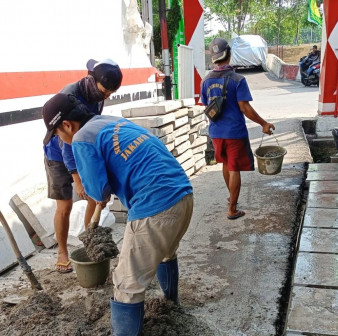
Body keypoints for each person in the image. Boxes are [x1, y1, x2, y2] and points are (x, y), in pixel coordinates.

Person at [42, 93, 194, 336]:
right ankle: (170, 305)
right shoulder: (111, 122)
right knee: (165, 252)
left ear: (67, 125)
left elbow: (97, 191)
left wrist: (97, 185)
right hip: (183, 195)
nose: (61, 140)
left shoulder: (82, 138)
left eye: (58, 134)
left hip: (155, 206)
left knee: (126, 283)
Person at [43, 59, 122, 273]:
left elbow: (87, 131)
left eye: (110, 93)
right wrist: (77, 179)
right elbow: (67, 142)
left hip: (80, 143)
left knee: (93, 196)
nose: (107, 96)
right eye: (106, 92)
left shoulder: (96, 94)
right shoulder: (70, 97)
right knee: (65, 205)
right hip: (58, 151)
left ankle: (91, 243)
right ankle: (62, 251)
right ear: (92, 80)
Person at [201, 37, 275, 220]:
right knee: (234, 168)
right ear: (229, 54)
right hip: (234, 132)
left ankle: (231, 198)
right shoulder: (237, 79)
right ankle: (232, 209)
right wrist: (263, 124)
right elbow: (245, 108)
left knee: (226, 164)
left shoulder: (206, 80)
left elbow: (205, 105)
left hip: (216, 133)